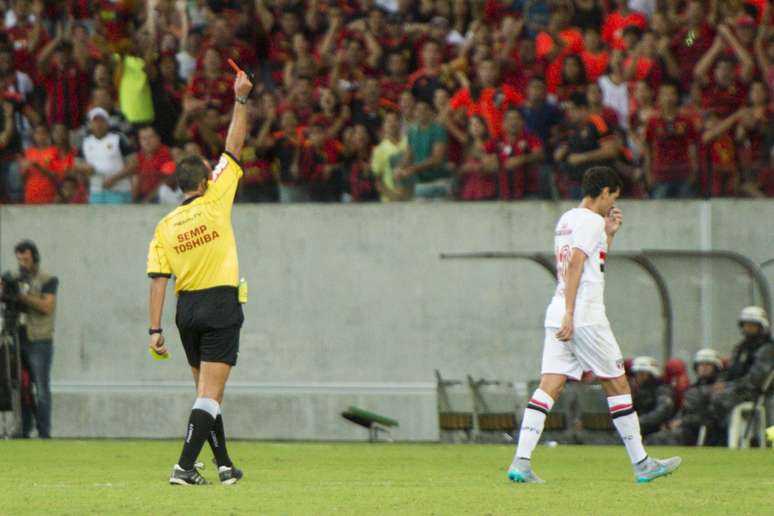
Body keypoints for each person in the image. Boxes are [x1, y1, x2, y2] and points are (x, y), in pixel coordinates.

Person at [506, 167, 681, 484]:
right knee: (618, 384)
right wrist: (572, 314)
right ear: (604, 192)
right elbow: (575, 263)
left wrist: (609, 234)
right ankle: (642, 463)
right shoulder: (590, 221)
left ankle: (521, 461)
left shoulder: (567, 220)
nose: (612, 204)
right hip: (584, 314)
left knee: (550, 386)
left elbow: (589, 264)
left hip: (557, 308)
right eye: (612, 197)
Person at [145, 68, 253, 485]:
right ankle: (184, 467)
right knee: (211, 394)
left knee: (206, 393)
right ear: (207, 181)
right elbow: (235, 144)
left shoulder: (165, 225)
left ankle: (224, 466)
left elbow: (158, 279)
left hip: (184, 310)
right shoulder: (216, 201)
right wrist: (240, 99)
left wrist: (154, 329)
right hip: (219, 303)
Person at [13, 240, 58, 439]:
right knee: (20, 387)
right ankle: (23, 429)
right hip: (17, 338)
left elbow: (47, 307)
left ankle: (44, 432)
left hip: (40, 340)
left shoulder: (48, 279)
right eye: (20, 259)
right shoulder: (14, 279)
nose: (23, 263)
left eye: (26, 259)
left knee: (40, 388)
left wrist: (23, 296)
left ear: (35, 257)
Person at [708, 307, 774, 433]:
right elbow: (728, 371)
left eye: (752, 325)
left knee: (721, 398)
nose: (747, 328)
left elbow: (756, 379)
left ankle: (733, 435)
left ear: (761, 326)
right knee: (706, 394)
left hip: (757, 393)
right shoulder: (740, 348)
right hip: (738, 389)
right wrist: (720, 383)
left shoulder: (767, 349)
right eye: (745, 325)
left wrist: (729, 386)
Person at [630, 356, 677, 438]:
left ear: (652, 374)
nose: (638, 377)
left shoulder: (662, 390)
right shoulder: (638, 391)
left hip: (657, 430)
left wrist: (639, 421)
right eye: (637, 374)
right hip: (639, 429)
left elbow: (662, 412)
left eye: (642, 374)